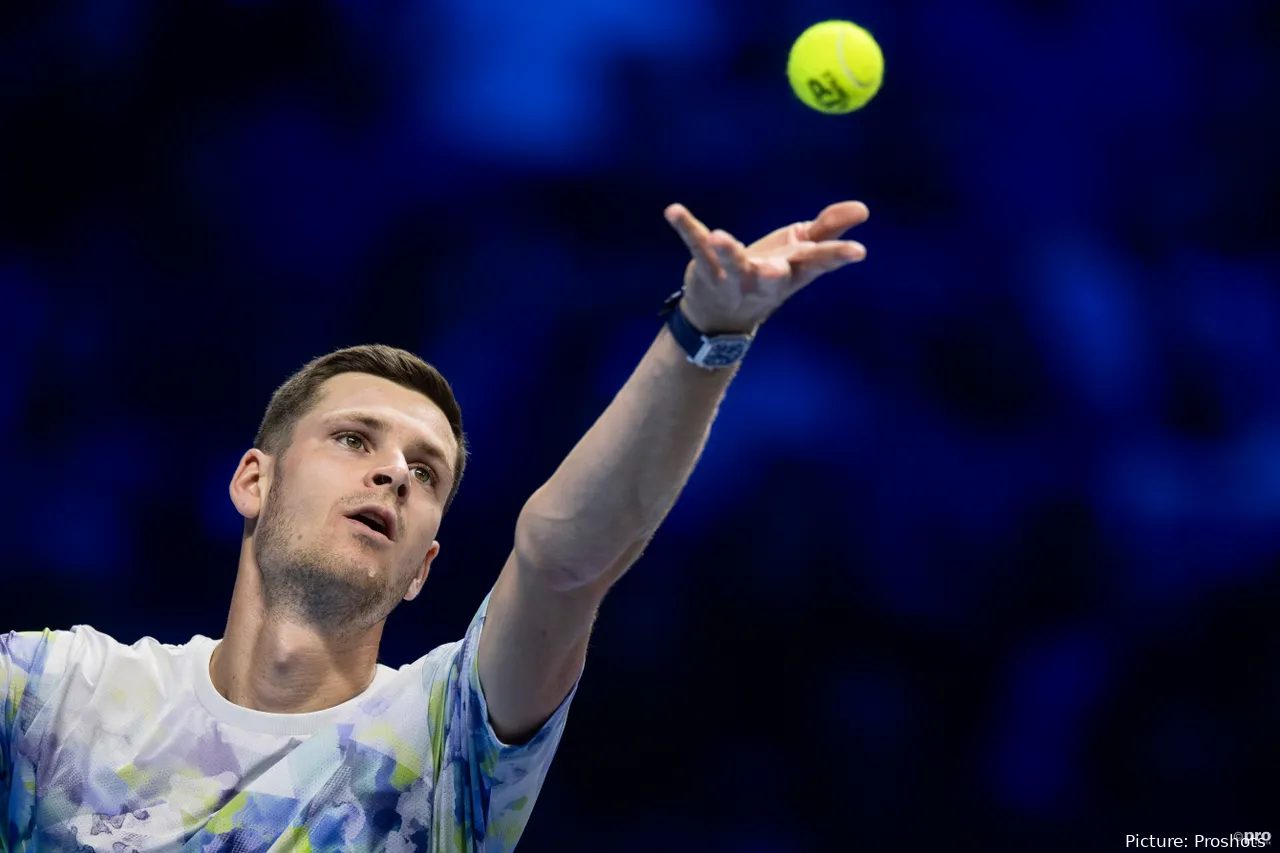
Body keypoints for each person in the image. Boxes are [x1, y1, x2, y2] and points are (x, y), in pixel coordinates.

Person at [0, 200, 868, 852]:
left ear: (422, 568)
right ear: (253, 481)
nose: (392, 473)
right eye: (352, 439)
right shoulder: (56, 693)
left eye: (426, 472)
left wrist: (706, 334)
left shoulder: (444, 740)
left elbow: (563, 563)